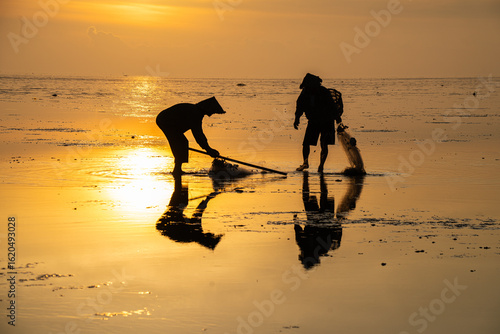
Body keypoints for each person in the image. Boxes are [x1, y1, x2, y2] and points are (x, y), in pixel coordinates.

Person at [156, 97, 225, 175]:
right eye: (213, 111)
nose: (212, 114)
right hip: (165, 121)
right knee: (180, 142)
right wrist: (208, 149)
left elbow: (198, 134)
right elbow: (198, 134)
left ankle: (178, 168)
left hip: (171, 121)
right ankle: (177, 170)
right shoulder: (195, 113)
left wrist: (208, 149)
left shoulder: (196, 112)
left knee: (182, 142)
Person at [293, 73, 343, 172]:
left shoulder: (324, 92)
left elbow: (332, 106)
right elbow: (300, 106)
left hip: (327, 121)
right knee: (306, 143)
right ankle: (305, 162)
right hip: (314, 121)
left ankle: (321, 166)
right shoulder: (305, 93)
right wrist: (297, 118)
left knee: (324, 144)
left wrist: (337, 118)